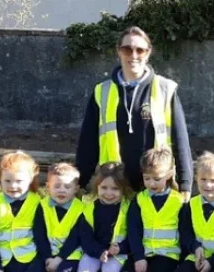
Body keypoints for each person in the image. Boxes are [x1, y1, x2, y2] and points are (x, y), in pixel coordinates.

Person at [75, 26, 192, 199]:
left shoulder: (165, 89)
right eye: (127, 49)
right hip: (114, 189)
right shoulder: (102, 91)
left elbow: (180, 141)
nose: (134, 55)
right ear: (118, 51)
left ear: (148, 52)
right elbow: (88, 143)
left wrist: (185, 185)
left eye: (140, 50)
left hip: (155, 187)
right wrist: (79, 184)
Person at [58, 162, 134, 272]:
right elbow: (85, 236)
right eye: (104, 188)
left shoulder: (128, 208)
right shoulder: (89, 207)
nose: (108, 193)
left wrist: (120, 248)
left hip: (118, 253)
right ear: (97, 187)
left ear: (123, 189)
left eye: (115, 189)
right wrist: (98, 252)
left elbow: (134, 236)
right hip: (94, 251)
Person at [39, 163, 86, 272]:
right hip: (46, 254)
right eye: (57, 186)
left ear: (76, 189)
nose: (61, 190)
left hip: (70, 255)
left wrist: (58, 259)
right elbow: (39, 234)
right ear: (48, 187)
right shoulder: (42, 206)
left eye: (67, 186)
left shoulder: (82, 209)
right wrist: (47, 257)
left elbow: (76, 238)